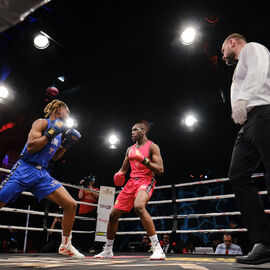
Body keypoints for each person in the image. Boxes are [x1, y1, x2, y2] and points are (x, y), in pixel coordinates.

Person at [0, 99, 84, 259]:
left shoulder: (59, 133)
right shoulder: (41, 123)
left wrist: (66, 145)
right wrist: (50, 133)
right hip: (25, 168)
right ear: (58, 109)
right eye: (68, 112)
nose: (69, 115)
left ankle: (65, 245)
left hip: (42, 174)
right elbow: (31, 146)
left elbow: (55, 157)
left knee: (71, 204)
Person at [221, 33, 270, 264]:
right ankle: (264, 242)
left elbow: (260, 71)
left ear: (232, 42)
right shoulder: (237, 70)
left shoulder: (252, 48)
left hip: (264, 112)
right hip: (248, 123)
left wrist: (244, 99)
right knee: (237, 175)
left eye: (223, 50)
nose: (222, 56)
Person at [94, 121, 165, 260]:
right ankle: (108, 250)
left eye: (135, 130)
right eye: (131, 130)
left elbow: (160, 170)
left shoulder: (152, 146)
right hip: (131, 183)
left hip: (146, 180)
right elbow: (123, 169)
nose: (132, 132)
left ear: (143, 131)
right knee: (113, 215)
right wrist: (119, 174)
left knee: (138, 207)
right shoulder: (129, 149)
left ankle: (158, 249)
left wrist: (144, 160)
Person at [77, 175, 99, 252]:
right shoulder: (83, 188)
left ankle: (90, 247)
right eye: (91, 179)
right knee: (81, 230)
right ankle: (80, 247)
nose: (92, 181)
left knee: (91, 230)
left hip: (92, 212)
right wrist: (82, 186)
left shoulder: (96, 189)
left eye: (93, 179)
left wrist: (90, 188)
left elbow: (97, 195)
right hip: (83, 211)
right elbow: (80, 196)